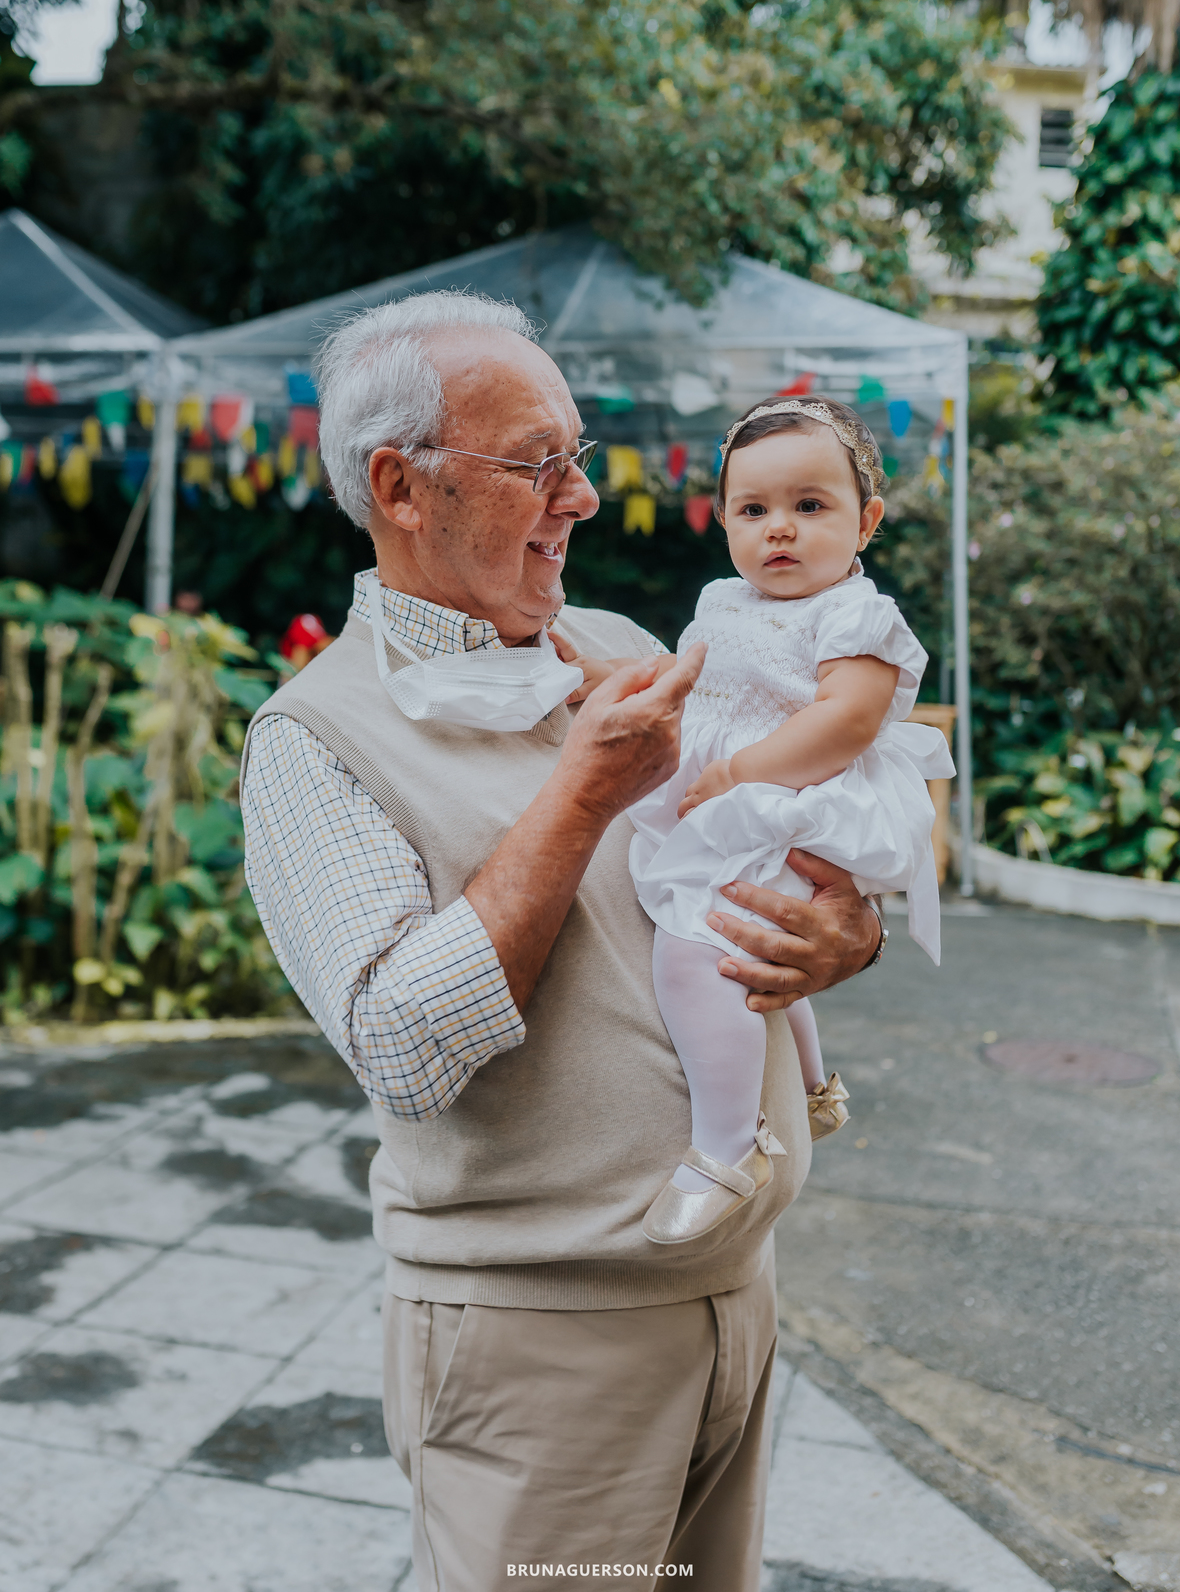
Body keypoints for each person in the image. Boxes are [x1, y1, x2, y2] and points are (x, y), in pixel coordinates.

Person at [239, 293, 889, 1592]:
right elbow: (402, 1053)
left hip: (733, 1302)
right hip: (538, 1347)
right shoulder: (312, 737)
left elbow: (778, 844)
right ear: (400, 486)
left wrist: (841, 927)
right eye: (538, 462)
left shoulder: (632, 652)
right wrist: (582, 791)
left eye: (579, 456)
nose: (581, 497)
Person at [556, 398, 953, 1247]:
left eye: (811, 507)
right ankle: (811, 1086)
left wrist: (738, 769)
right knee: (755, 949)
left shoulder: (855, 614)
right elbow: (688, 679)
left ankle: (727, 1148)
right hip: (738, 796)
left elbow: (846, 722)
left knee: (699, 952)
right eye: (754, 509)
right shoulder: (724, 601)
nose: (781, 529)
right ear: (725, 520)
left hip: (797, 797)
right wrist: (603, 675)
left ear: (866, 521)